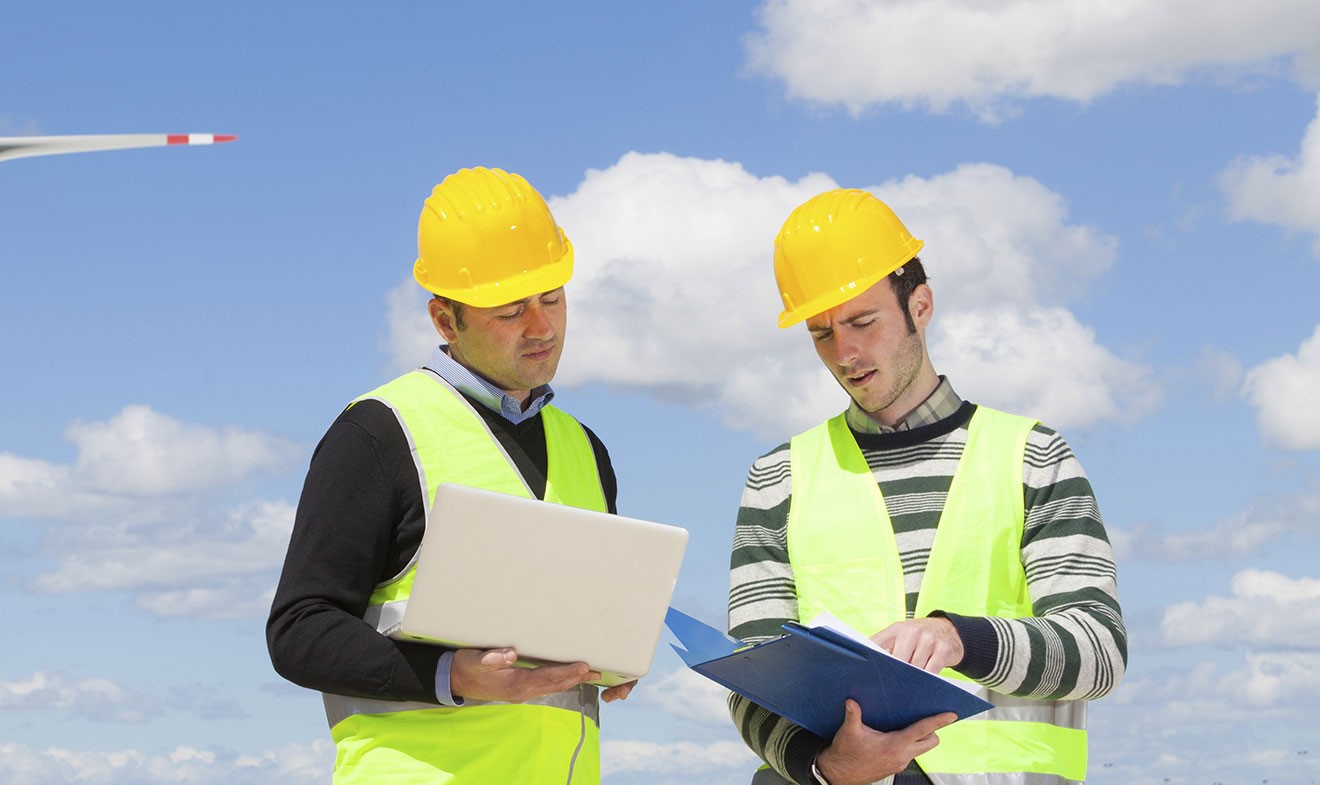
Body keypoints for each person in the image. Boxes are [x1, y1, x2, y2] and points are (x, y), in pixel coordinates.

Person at [726, 189, 1127, 785]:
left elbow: (1099, 652)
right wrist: (825, 766)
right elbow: (752, 679)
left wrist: (960, 638)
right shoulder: (778, 477)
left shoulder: (1033, 456)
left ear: (920, 305)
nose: (846, 353)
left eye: (863, 322)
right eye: (821, 334)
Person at [267, 166, 634, 784]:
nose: (542, 327)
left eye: (552, 297)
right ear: (445, 320)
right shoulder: (379, 435)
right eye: (511, 309)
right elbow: (299, 631)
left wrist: (616, 657)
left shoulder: (585, 450)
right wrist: (450, 674)